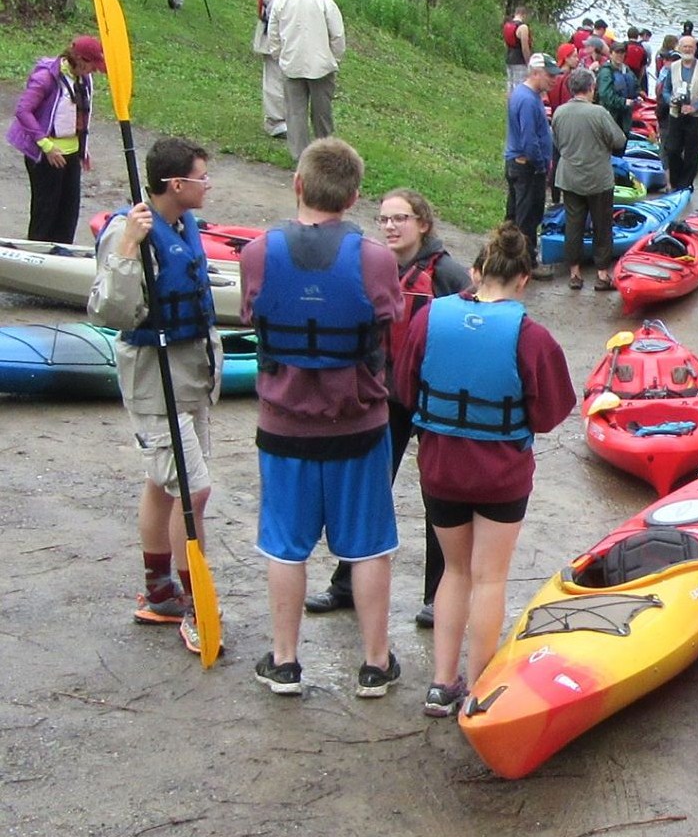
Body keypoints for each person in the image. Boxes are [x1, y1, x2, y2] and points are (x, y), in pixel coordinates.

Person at [241, 138, 403, 697]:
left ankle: (285, 661)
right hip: (358, 427)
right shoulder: (377, 259)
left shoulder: (257, 252)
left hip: (284, 427)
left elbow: (253, 312)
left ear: (298, 185)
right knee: (368, 545)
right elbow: (389, 320)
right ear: (355, 196)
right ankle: (375, 665)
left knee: (285, 545)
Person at [396, 221, 575, 717]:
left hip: (440, 467)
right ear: (524, 280)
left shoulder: (429, 318)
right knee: (489, 577)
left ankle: (439, 684)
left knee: (454, 571)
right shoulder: (531, 336)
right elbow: (550, 412)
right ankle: (477, 688)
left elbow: (405, 389)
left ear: (475, 273)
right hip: (500, 474)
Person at [304, 188, 472, 628]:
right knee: (368, 491)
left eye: (401, 218)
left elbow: (474, 329)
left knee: (439, 496)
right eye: (384, 220)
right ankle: (346, 584)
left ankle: (439, 595)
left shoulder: (449, 274)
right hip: (385, 399)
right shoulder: (374, 269)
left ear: (423, 224)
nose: (391, 227)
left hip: (434, 403)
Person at [88, 138, 221, 656]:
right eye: (202, 177)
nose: (208, 185)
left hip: (190, 372)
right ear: (175, 184)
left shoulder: (185, 225)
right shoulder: (130, 232)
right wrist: (127, 253)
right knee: (194, 492)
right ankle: (195, 605)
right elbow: (110, 312)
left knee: (164, 484)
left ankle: (159, 591)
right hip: (153, 376)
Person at [8, 35, 106, 243]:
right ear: (79, 59)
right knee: (46, 214)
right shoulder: (46, 78)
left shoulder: (83, 79)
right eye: (92, 65)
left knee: (68, 213)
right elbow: (23, 111)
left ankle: (62, 256)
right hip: (46, 155)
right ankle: (36, 258)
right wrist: (47, 146)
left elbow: (79, 116)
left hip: (70, 154)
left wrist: (83, 149)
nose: (95, 70)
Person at [553, 67, 625, 290]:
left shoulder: (559, 113)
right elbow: (619, 141)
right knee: (602, 226)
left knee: (573, 225)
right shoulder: (599, 113)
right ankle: (602, 274)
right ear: (591, 88)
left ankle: (574, 274)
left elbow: (557, 143)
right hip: (598, 179)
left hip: (570, 177)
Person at [267, 0, 346, 162]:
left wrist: (279, 55)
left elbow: (273, 32)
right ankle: (325, 155)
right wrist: (334, 59)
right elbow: (337, 35)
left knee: (295, 114)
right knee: (322, 115)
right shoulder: (325, 2)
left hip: (292, 62)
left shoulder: (282, 0)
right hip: (321, 66)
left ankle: (300, 157)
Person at [504, 52, 559, 280]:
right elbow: (529, 139)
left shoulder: (527, 93)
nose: (553, 80)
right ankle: (527, 264)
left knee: (515, 215)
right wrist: (540, 164)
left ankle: (508, 256)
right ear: (535, 73)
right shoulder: (527, 99)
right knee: (528, 217)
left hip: (517, 163)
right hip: (526, 167)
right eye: (549, 75)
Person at [252, 0, 300, 138]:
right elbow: (275, 15)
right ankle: (274, 121)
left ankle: (282, 118)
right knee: (274, 79)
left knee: (281, 78)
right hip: (273, 38)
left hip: (282, 38)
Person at [659, 34, 698, 193]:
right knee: (672, 149)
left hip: (695, 117)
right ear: (679, 48)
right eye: (685, 47)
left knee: (693, 151)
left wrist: (694, 107)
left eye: (690, 47)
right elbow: (666, 90)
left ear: (695, 49)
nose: (688, 49)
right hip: (676, 115)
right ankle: (676, 182)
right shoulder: (673, 66)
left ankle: (686, 184)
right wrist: (671, 100)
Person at [597, 41, 637, 135]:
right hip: (611, 115)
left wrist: (638, 95)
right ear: (610, 54)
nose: (620, 55)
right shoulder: (606, 72)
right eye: (617, 52)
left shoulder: (626, 70)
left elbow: (635, 85)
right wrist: (623, 102)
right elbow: (605, 95)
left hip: (625, 117)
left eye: (622, 52)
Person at [502, 6, 532, 93]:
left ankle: (510, 105)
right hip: (520, 61)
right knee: (519, 86)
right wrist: (528, 62)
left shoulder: (507, 25)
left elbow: (506, 43)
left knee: (510, 86)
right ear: (524, 15)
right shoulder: (523, 27)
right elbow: (525, 47)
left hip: (509, 58)